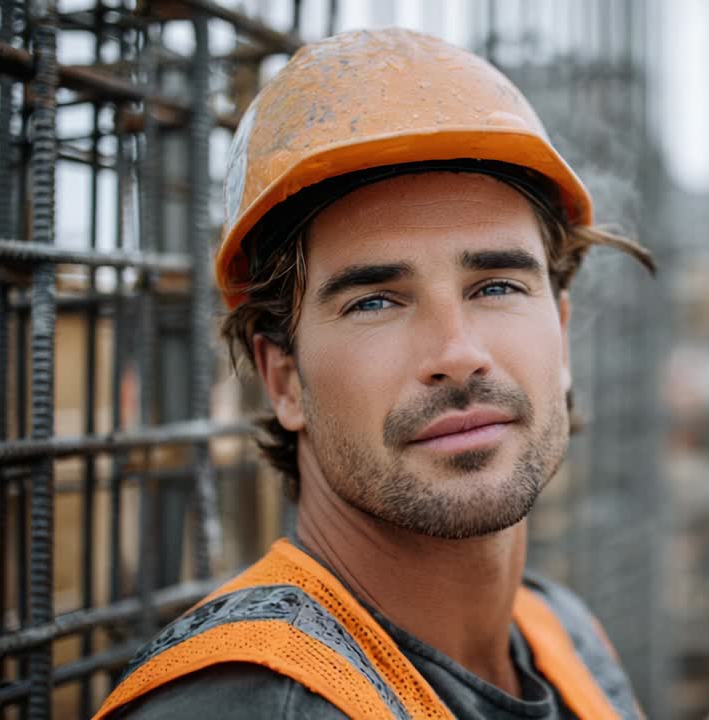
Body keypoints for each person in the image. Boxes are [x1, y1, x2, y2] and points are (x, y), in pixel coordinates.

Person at [94, 28, 652, 720]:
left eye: (498, 286)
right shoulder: (249, 706)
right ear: (284, 380)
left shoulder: (564, 635)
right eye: (375, 301)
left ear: (561, 334)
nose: (457, 352)